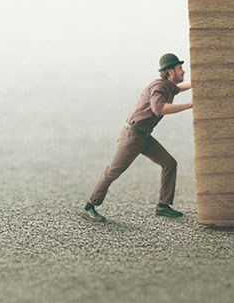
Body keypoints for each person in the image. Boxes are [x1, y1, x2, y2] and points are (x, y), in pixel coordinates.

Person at [80, 53, 194, 222]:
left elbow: (181, 88)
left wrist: (199, 82)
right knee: (113, 171)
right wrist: (189, 105)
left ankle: (163, 205)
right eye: (180, 68)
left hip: (144, 137)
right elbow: (159, 109)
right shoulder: (159, 87)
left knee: (169, 163)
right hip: (133, 136)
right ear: (170, 72)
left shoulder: (169, 86)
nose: (183, 71)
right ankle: (90, 206)